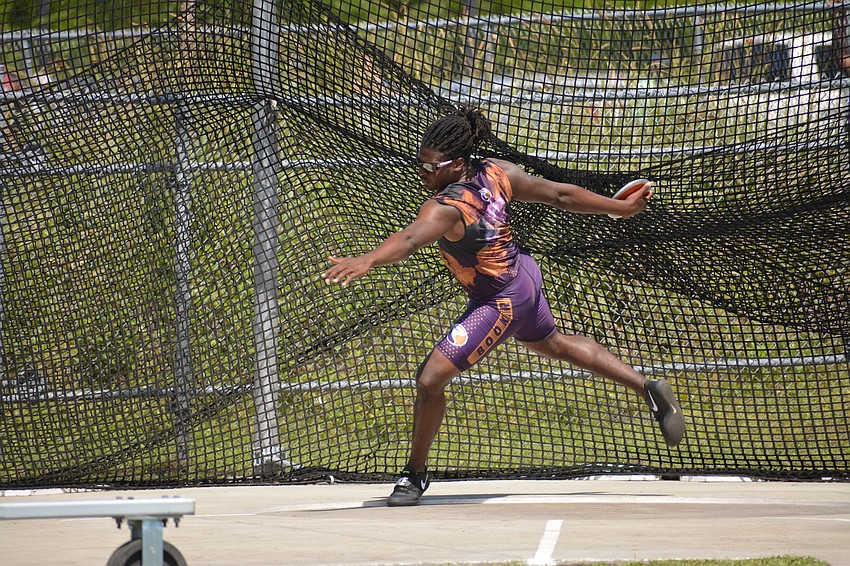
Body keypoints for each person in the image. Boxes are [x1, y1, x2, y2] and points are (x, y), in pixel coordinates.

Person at [321, 106, 685, 507]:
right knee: (554, 344)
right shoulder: (498, 171)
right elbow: (559, 194)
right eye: (419, 164)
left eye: (430, 167)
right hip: (523, 276)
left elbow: (410, 239)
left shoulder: (445, 207)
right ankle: (647, 387)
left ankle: (414, 474)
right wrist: (619, 210)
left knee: (429, 380)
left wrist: (369, 258)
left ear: (456, 164)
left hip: (501, 299)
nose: (422, 174)